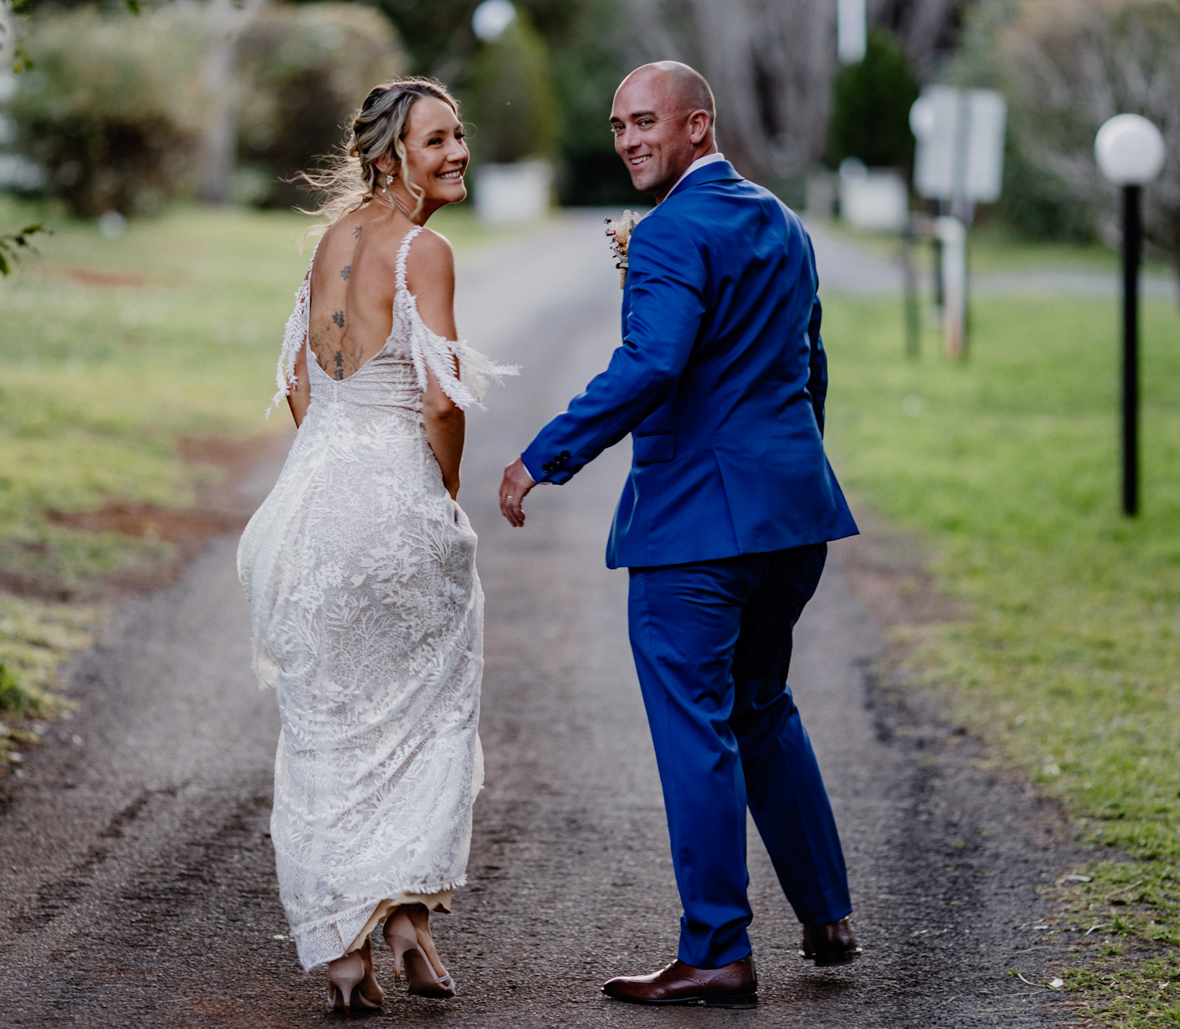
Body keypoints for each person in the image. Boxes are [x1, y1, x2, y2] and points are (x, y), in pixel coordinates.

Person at [497, 61, 860, 1009]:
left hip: (696, 530)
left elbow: (652, 362)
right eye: (618, 125)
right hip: (792, 518)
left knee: (697, 725)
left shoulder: (667, 235)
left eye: (645, 122)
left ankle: (717, 950)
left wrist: (545, 454)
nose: (627, 141)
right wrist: (788, 465)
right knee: (761, 705)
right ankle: (826, 913)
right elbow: (809, 364)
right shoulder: (783, 223)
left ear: (699, 125)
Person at [239, 77, 513, 1016]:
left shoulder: (331, 244)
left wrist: (332, 467)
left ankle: (347, 950)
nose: (458, 151)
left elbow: (302, 388)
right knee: (421, 720)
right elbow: (440, 398)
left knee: (327, 726)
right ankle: (407, 925)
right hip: (392, 503)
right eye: (439, 139)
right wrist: (441, 487)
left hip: (313, 507)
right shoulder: (424, 251)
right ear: (393, 157)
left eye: (460, 134)